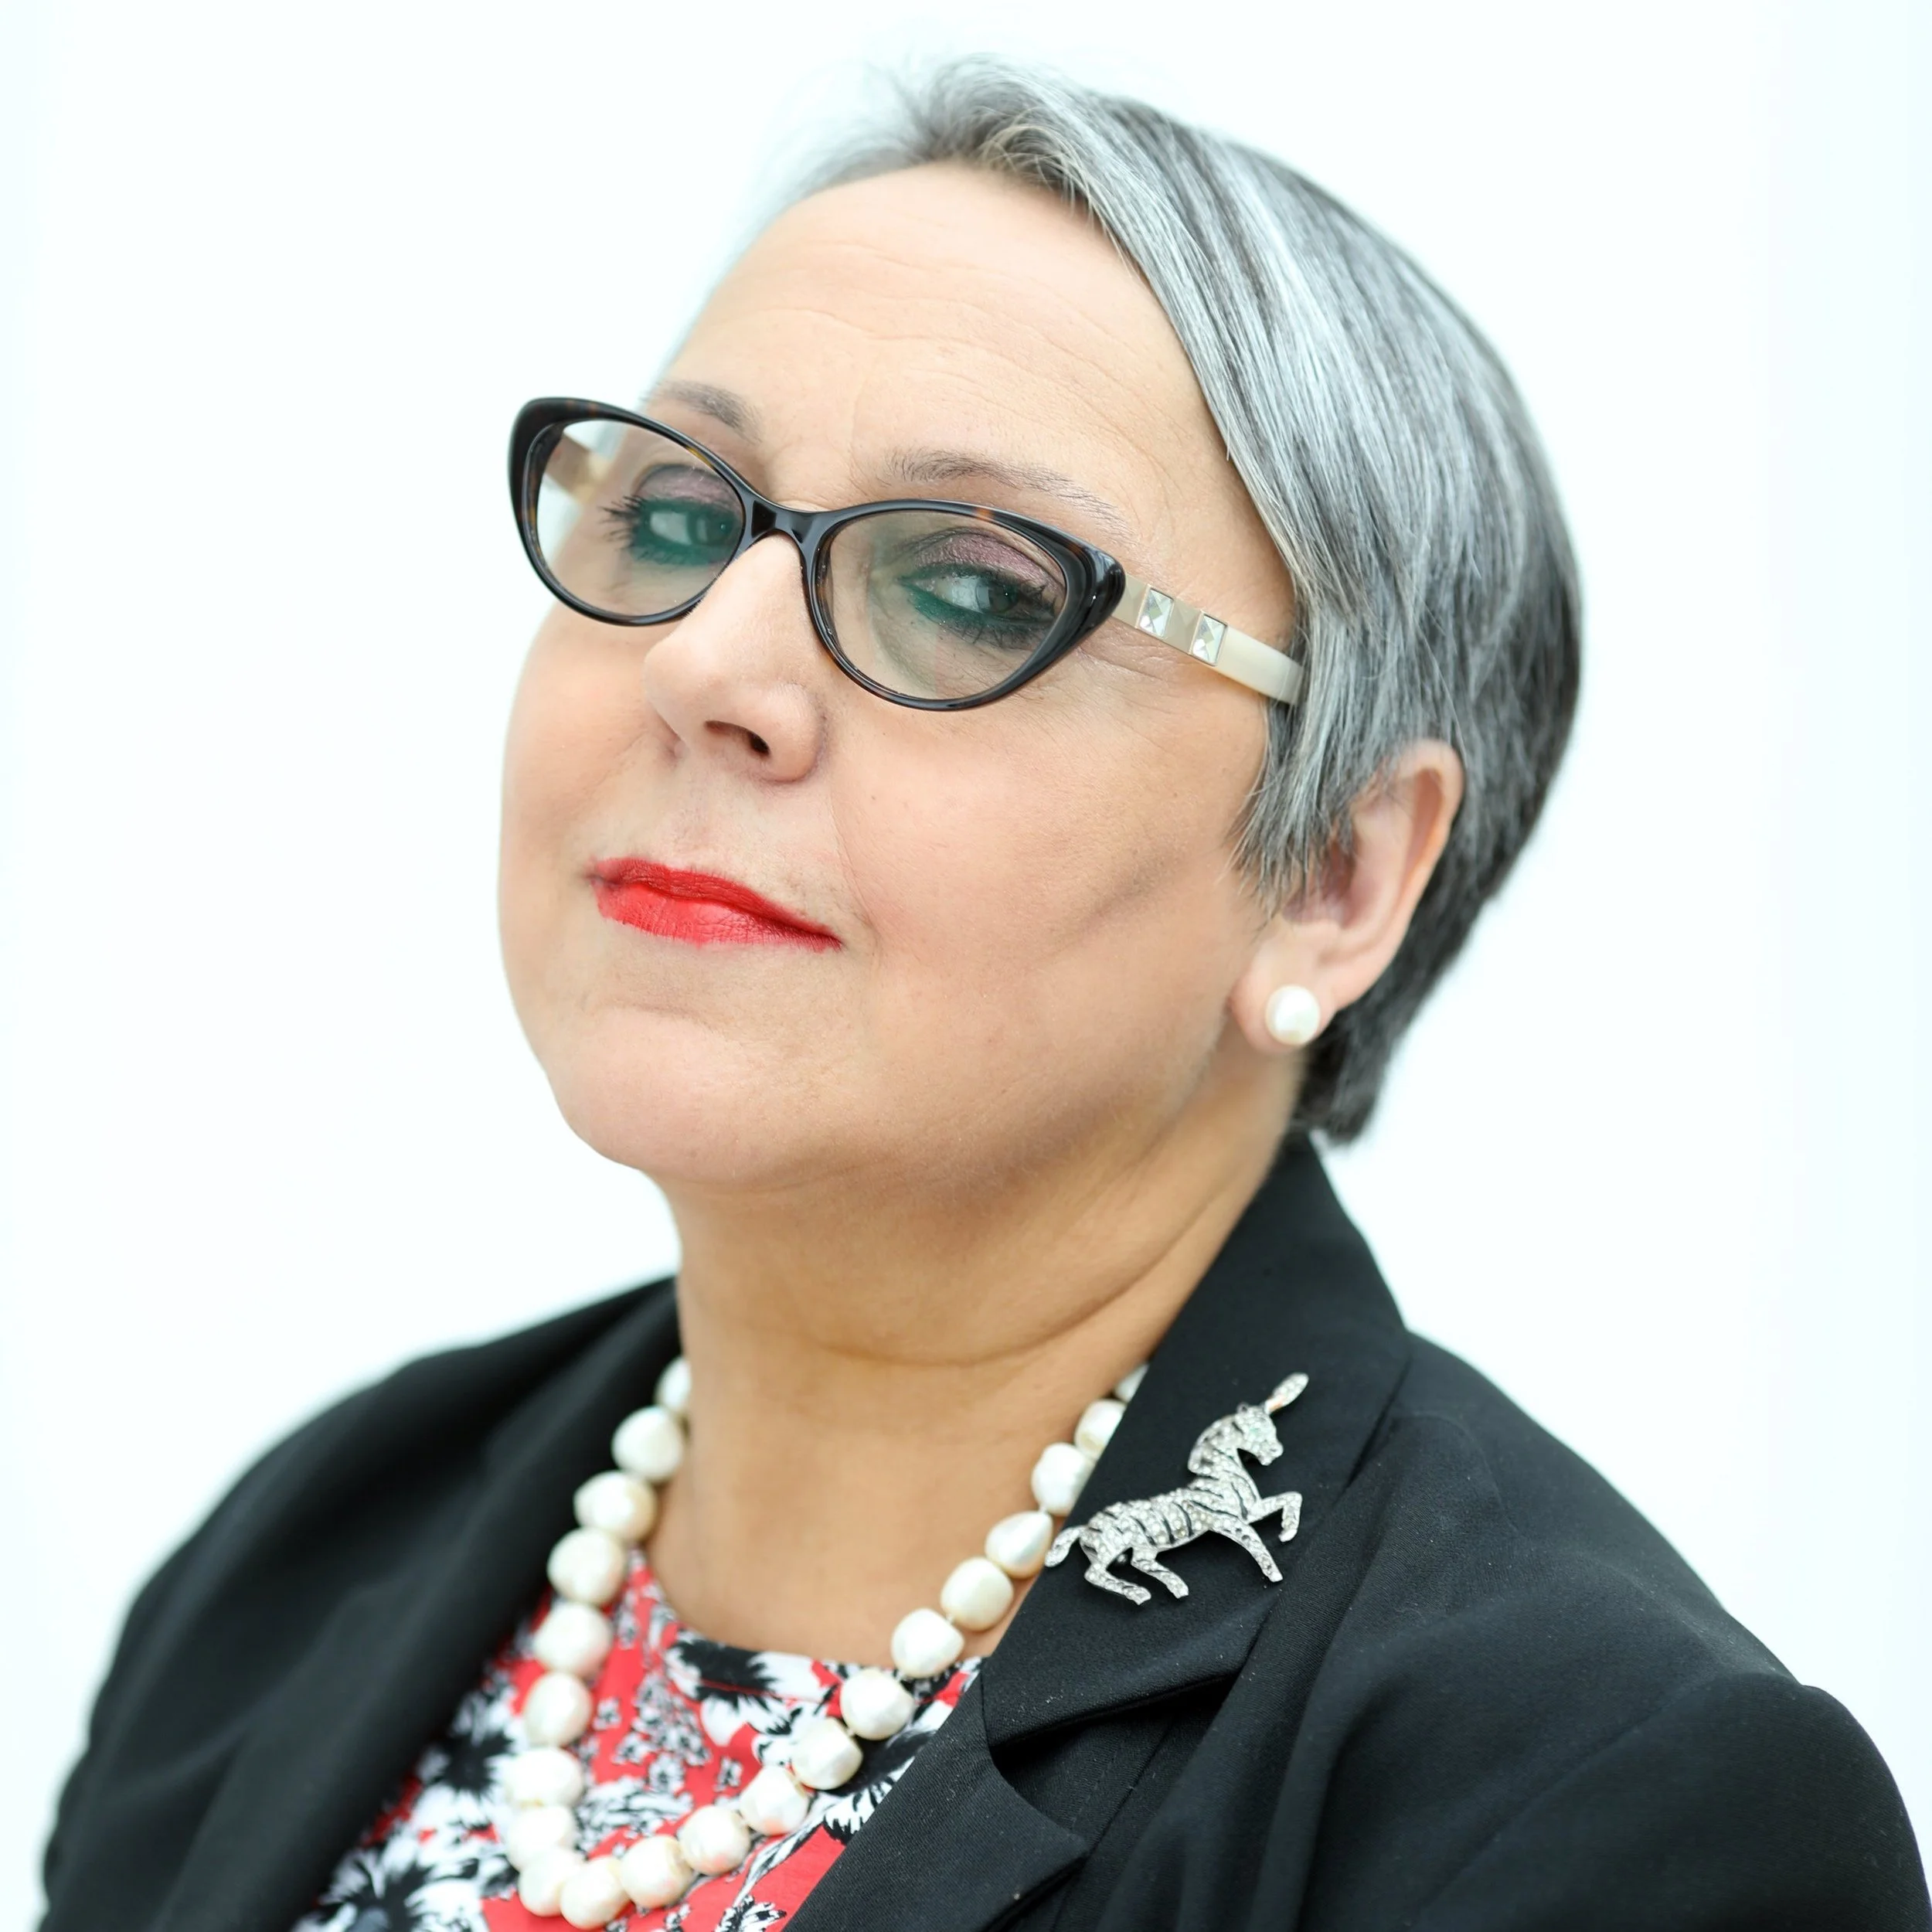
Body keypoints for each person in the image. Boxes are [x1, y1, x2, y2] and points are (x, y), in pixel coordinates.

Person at [41, 58, 1928, 1932]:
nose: (706, 666)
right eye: (674, 516)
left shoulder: (1583, 1796)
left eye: (965, 588)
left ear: (1335, 875)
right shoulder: (309, 1553)